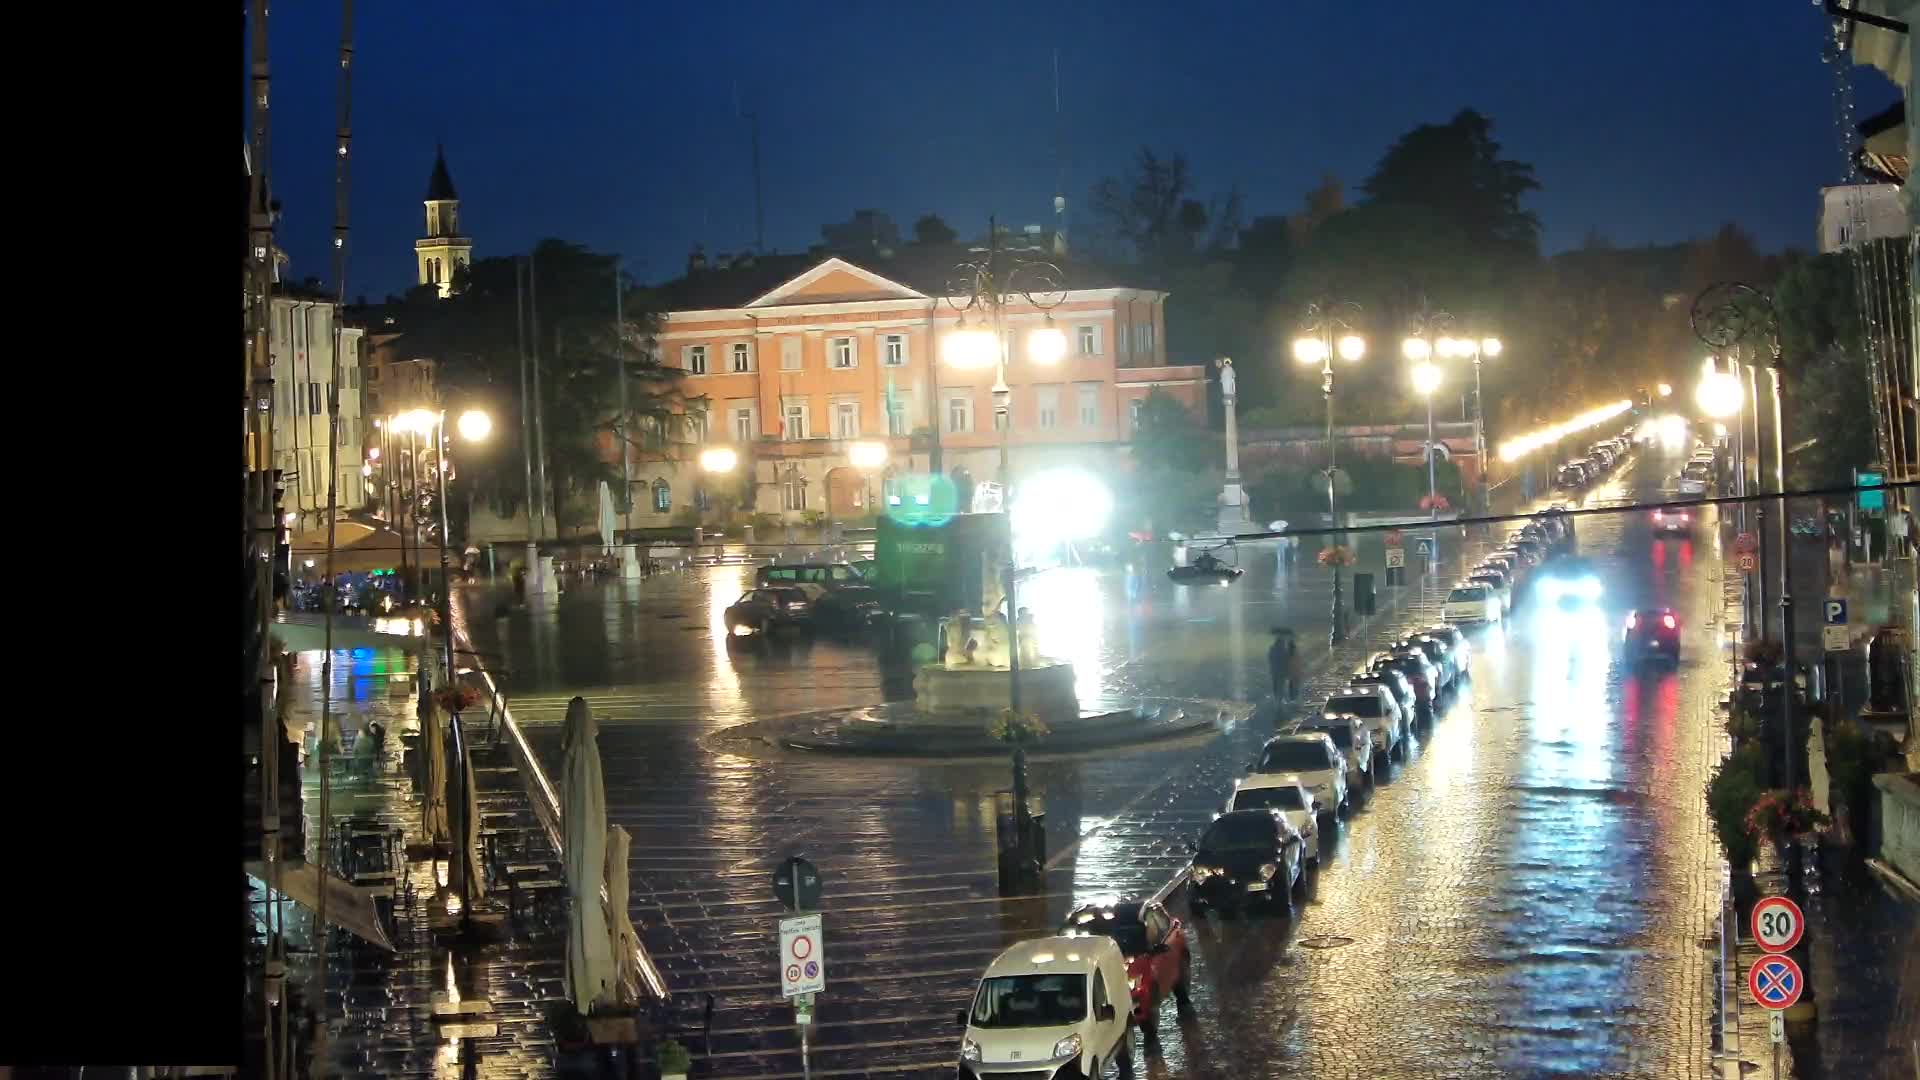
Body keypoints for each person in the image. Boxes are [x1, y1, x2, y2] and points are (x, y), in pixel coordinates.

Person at [1268, 628, 1298, 702]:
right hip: (1281, 671)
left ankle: (1278, 700)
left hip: (1277, 671)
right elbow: (1286, 659)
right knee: (1281, 685)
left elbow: (1271, 659)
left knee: (1277, 685)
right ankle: (1282, 700)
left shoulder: (1273, 649)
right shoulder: (1283, 650)